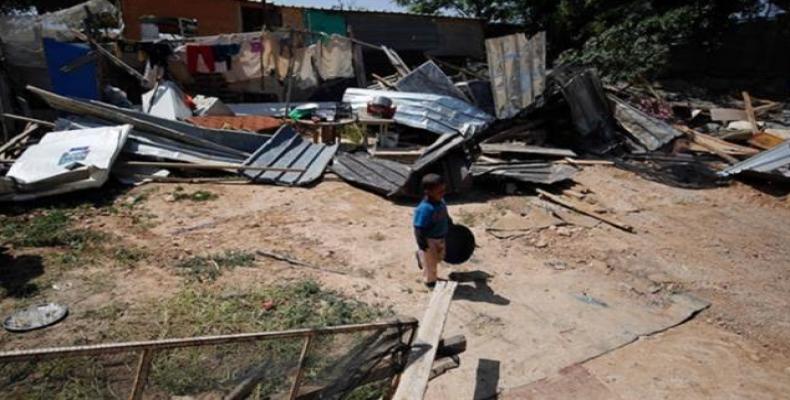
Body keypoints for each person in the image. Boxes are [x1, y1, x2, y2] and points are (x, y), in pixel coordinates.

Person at [413, 173, 451, 288]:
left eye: (443, 190)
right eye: (439, 191)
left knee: (440, 257)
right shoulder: (425, 208)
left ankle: (420, 256)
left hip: (441, 236)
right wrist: (422, 243)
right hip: (429, 240)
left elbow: (445, 215)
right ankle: (430, 281)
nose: (443, 193)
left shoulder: (441, 201)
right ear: (428, 192)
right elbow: (418, 227)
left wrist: (450, 223)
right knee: (431, 264)